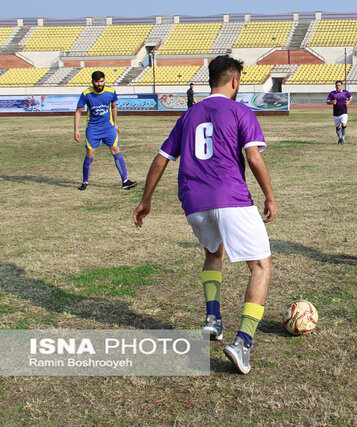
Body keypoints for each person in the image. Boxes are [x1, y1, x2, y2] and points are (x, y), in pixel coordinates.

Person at [133, 55, 277, 375]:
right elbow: (252, 157)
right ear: (234, 81)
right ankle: (243, 343)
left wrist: (146, 200)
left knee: (214, 252)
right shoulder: (241, 110)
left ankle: (213, 318)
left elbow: (161, 160)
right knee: (261, 267)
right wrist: (269, 196)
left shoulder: (189, 115)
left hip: (193, 202)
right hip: (231, 199)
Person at [74, 70, 137, 191]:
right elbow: (78, 111)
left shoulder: (111, 92)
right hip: (93, 128)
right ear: (92, 81)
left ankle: (125, 181)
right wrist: (76, 130)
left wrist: (115, 124)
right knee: (90, 153)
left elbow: (114, 107)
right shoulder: (86, 94)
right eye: (97, 81)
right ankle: (85, 181)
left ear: (104, 80)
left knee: (116, 150)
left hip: (108, 128)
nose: (99, 84)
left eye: (101, 81)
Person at [326, 80, 352, 144]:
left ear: (341, 86)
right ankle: (340, 138)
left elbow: (350, 97)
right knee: (338, 127)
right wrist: (332, 102)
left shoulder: (345, 92)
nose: (338, 87)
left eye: (339, 85)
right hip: (336, 113)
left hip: (344, 112)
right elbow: (327, 101)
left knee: (344, 124)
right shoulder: (332, 93)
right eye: (337, 85)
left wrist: (348, 102)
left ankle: (343, 137)